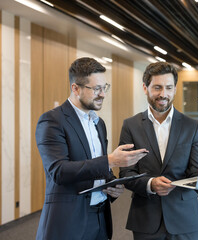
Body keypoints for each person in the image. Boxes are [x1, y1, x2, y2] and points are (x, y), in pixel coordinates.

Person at [35, 57, 148, 240]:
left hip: (100, 219)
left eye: (105, 88)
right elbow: (58, 171)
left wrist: (112, 185)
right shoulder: (52, 121)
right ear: (75, 88)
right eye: (96, 89)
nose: (102, 94)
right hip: (68, 222)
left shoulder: (98, 123)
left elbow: (95, 167)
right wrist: (111, 161)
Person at [119, 62, 198, 240]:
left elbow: (196, 172)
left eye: (169, 88)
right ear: (145, 88)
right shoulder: (130, 125)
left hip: (184, 219)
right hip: (146, 218)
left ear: (175, 89)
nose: (163, 94)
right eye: (157, 87)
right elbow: (126, 173)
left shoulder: (192, 126)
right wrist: (150, 184)